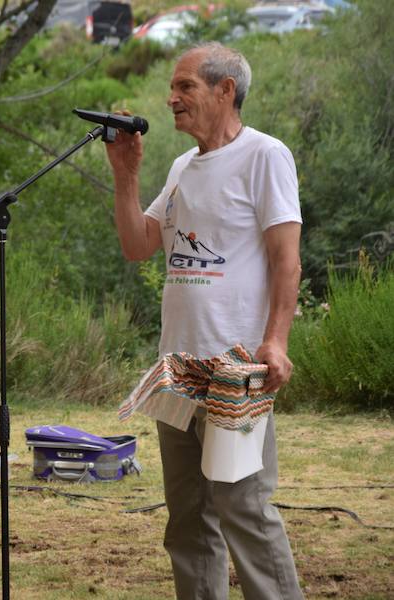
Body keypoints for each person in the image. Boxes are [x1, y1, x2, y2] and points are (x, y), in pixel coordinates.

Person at [104, 42, 304, 599]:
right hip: (177, 367)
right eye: (173, 87)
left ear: (225, 90)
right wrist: (126, 173)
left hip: (235, 366)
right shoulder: (181, 167)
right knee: (187, 517)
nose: (171, 98)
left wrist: (276, 341)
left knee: (242, 507)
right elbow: (138, 244)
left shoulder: (266, 156)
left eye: (185, 86)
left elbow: (287, 259)